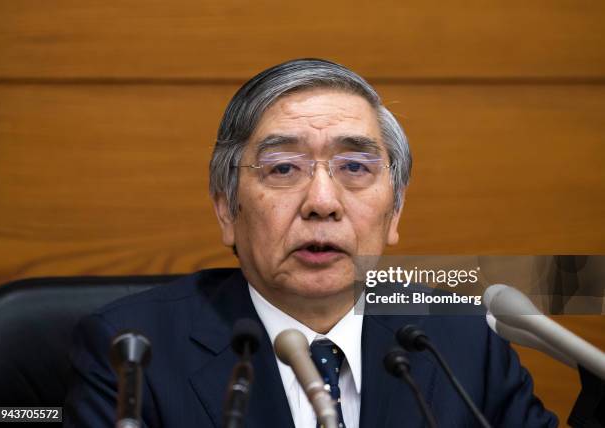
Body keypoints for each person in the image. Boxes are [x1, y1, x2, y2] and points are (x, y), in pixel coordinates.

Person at [64, 59, 557, 427]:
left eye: (355, 168)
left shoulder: (464, 341)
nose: (322, 202)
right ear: (226, 208)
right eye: (283, 168)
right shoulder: (132, 351)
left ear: (395, 212)